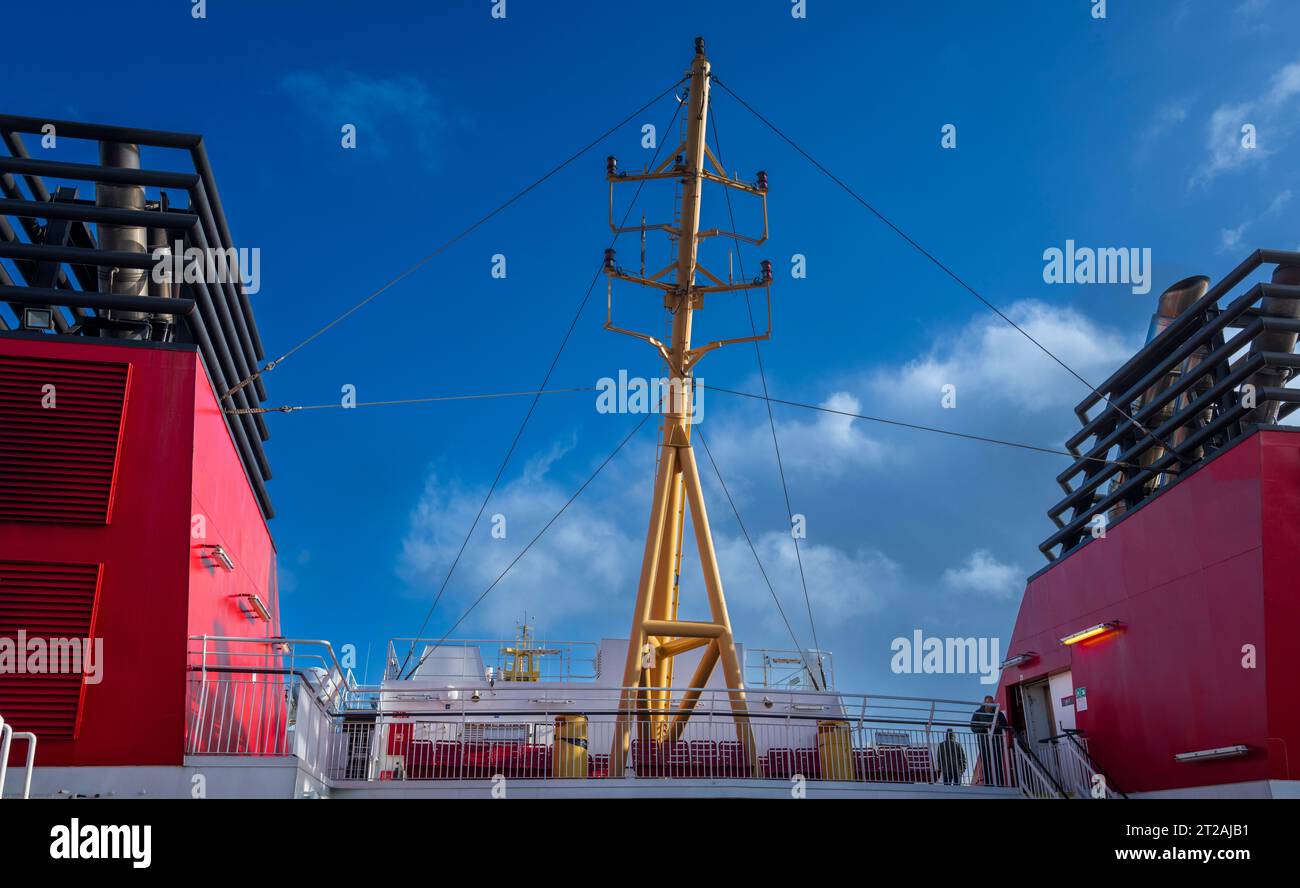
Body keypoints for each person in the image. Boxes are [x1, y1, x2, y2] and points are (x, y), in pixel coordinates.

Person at [970, 696, 1010, 786]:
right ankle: (988, 784)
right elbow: (973, 728)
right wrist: (984, 727)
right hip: (984, 743)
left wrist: (998, 727)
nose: (990, 705)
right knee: (986, 763)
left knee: (998, 763)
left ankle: (1000, 784)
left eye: (992, 703)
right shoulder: (978, 713)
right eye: (988, 703)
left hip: (997, 743)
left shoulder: (998, 714)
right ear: (984, 703)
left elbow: (1006, 727)